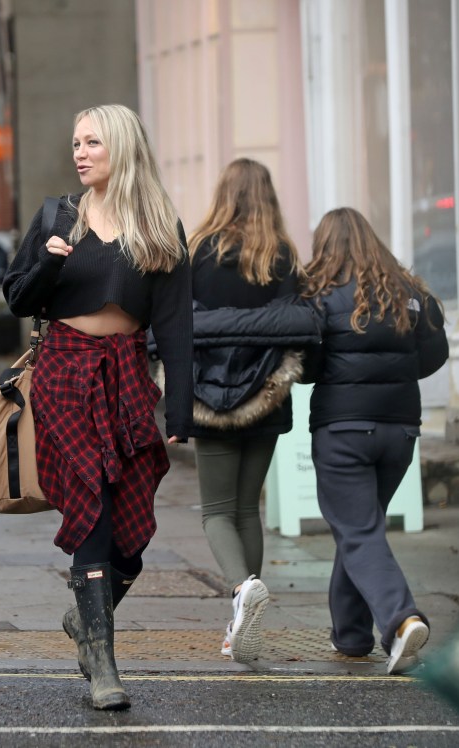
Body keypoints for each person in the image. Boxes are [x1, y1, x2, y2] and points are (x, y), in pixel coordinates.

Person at [3, 104, 193, 710]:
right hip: (64, 374)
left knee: (132, 539)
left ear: (123, 149)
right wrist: (50, 260)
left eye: (93, 143)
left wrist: (181, 412)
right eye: (76, 142)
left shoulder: (159, 224)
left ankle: (87, 621)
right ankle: (104, 665)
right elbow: (16, 298)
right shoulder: (57, 216)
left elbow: (177, 325)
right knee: (93, 510)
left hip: (128, 379)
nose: (80, 152)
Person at [299, 207, 449, 675]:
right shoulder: (410, 293)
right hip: (400, 431)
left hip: (343, 431)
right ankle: (351, 636)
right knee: (360, 529)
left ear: (326, 246)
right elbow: (432, 356)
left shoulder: (318, 296)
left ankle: (401, 619)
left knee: (359, 531)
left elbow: (305, 367)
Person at [185, 158, 317, 663]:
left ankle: (242, 590)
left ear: (224, 194)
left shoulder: (198, 251)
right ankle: (242, 617)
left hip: (209, 393)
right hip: (265, 393)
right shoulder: (281, 255)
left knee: (216, 511)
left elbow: (179, 329)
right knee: (246, 508)